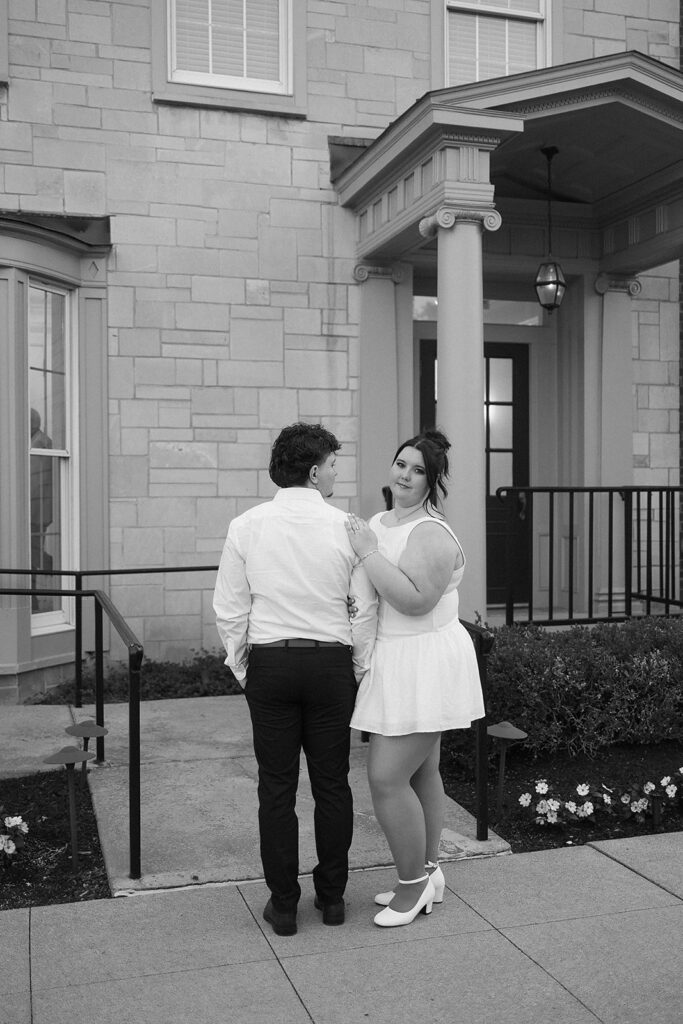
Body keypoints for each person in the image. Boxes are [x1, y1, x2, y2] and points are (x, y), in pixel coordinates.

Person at [213, 423, 377, 937]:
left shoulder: (246, 525)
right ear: (312, 470)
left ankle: (284, 905)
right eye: (332, 464)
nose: (335, 472)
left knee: (276, 788)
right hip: (330, 666)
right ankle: (332, 900)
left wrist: (246, 670)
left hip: (272, 664)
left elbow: (229, 610)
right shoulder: (348, 527)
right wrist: (354, 668)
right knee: (332, 784)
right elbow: (364, 612)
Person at [345, 429, 485, 929]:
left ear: (432, 482)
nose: (404, 474)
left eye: (417, 470)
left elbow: (414, 599)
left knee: (386, 777)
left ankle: (412, 887)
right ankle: (429, 872)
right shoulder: (380, 522)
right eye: (400, 464)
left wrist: (365, 552)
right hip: (392, 659)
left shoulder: (430, 532)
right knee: (422, 771)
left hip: (427, 661)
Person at [30, 408, 54, 610]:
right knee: (31, 553)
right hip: (35, 510)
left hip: (36, 511)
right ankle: (33, 599)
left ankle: (50, 566)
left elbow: (36, 483)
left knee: (32, 554)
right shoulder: (37, 441)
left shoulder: (41, 443)